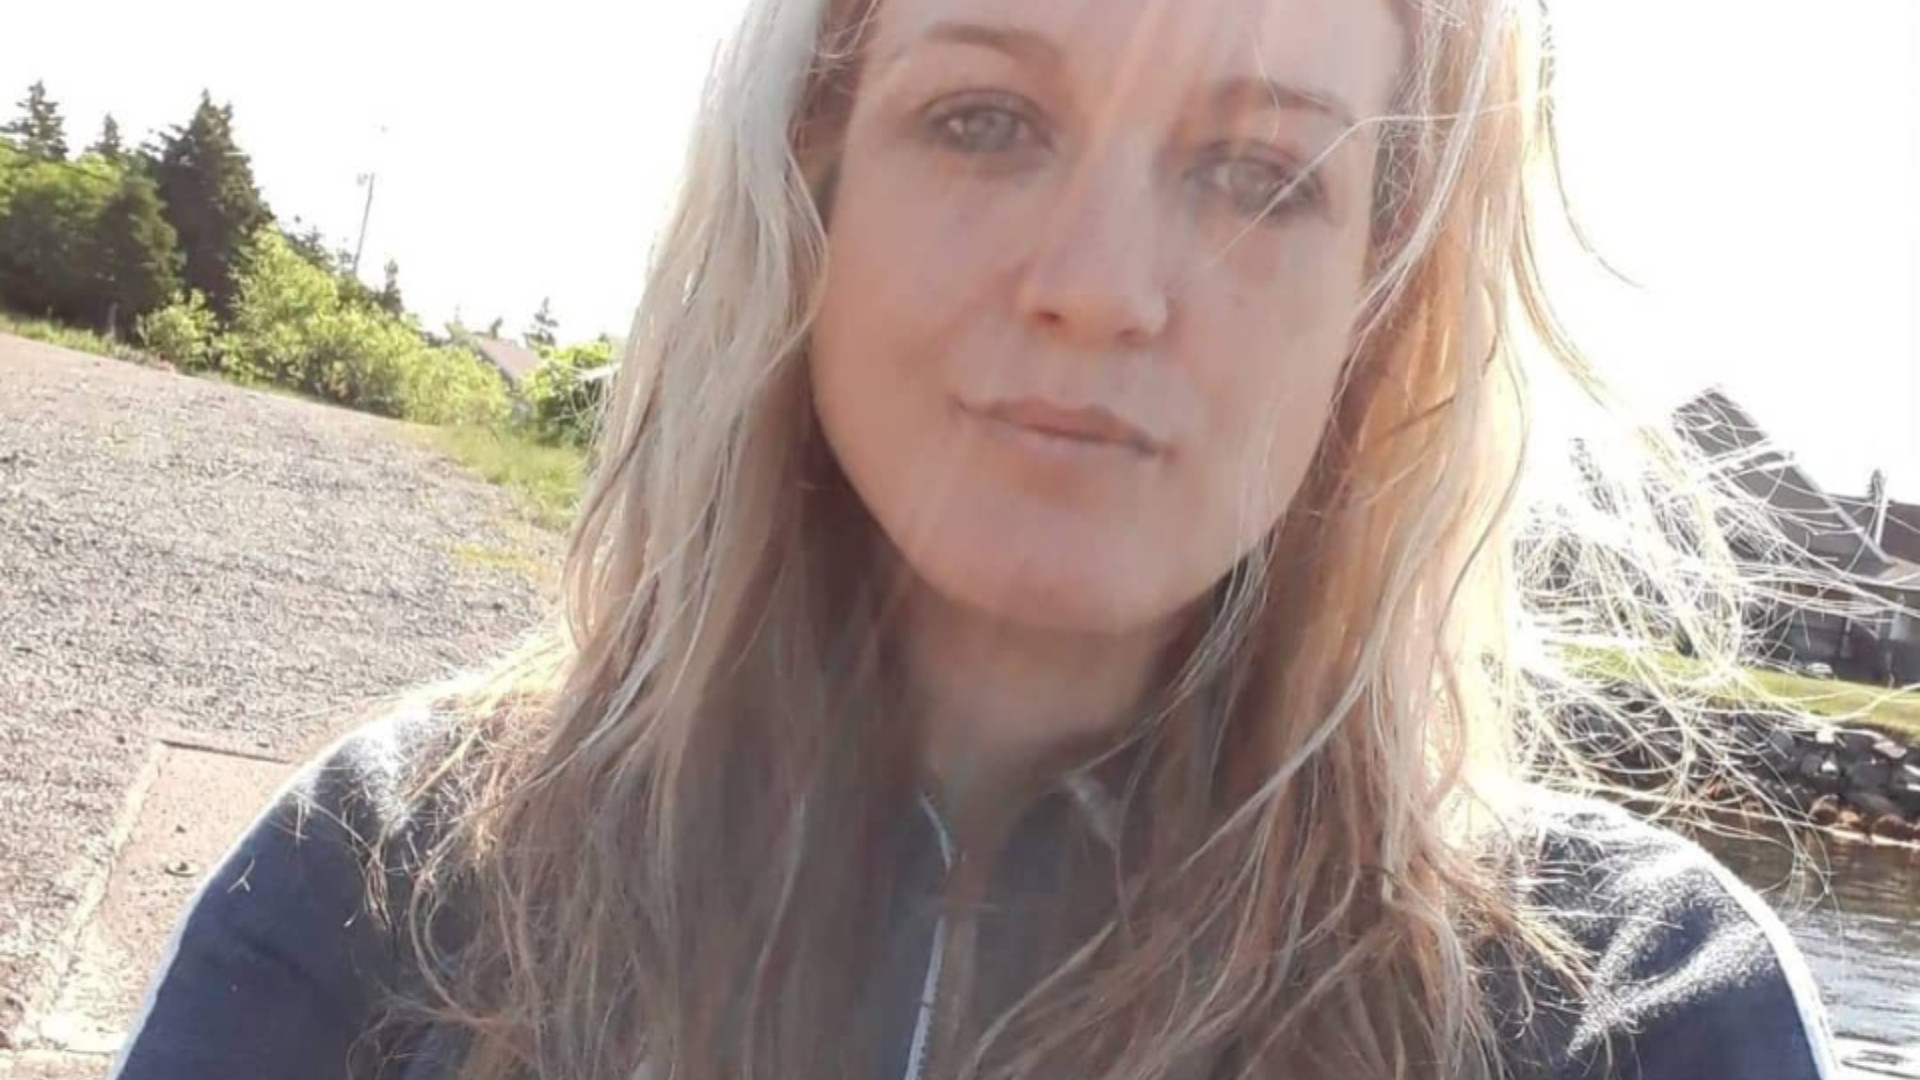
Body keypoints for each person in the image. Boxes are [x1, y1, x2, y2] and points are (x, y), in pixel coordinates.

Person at [108, 0, 1840, 1077]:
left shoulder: (1634, 1015)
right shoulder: (386, 884)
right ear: (813, 186)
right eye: (986, 122)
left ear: (1379, 313)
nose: (1098, 286)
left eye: (1257, 174)